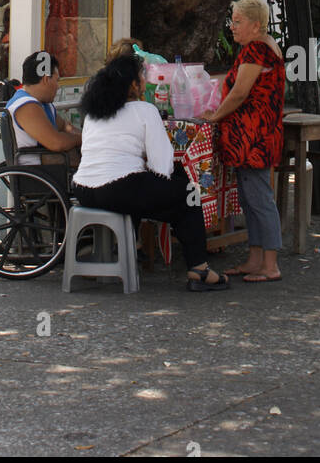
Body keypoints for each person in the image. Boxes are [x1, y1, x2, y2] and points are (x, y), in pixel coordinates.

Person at [72, 52, 229, 291]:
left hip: (83, 189)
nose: (146, 82)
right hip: (119, 189)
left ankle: (129, 252)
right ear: (133, 85)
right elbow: (162, 166)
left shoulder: (94, 113)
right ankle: (199, 269)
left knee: (142, 190)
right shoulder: (145, 110)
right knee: (189, 195)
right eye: (143, 78)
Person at [202, 0, 285, 283]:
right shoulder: (261, 47)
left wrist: (215, 116)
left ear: (256, 24)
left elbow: (239, 93)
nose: (232, 27)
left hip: (254, 138)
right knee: (250, 199)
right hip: (254, 136)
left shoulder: (256, 52)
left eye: (238, 22)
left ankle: (270, 264)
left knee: (260, 198)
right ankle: (255, 259)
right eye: (232, 21)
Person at [4, 52, 82, 174]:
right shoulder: (26, 105)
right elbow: (57, 143)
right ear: (46, 79)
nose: (58, 87)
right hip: (36, 173)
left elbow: (66, 128)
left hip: (50, 167)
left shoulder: (44, 104)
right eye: (57, 81)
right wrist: (80, 139)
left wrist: (90, 138)